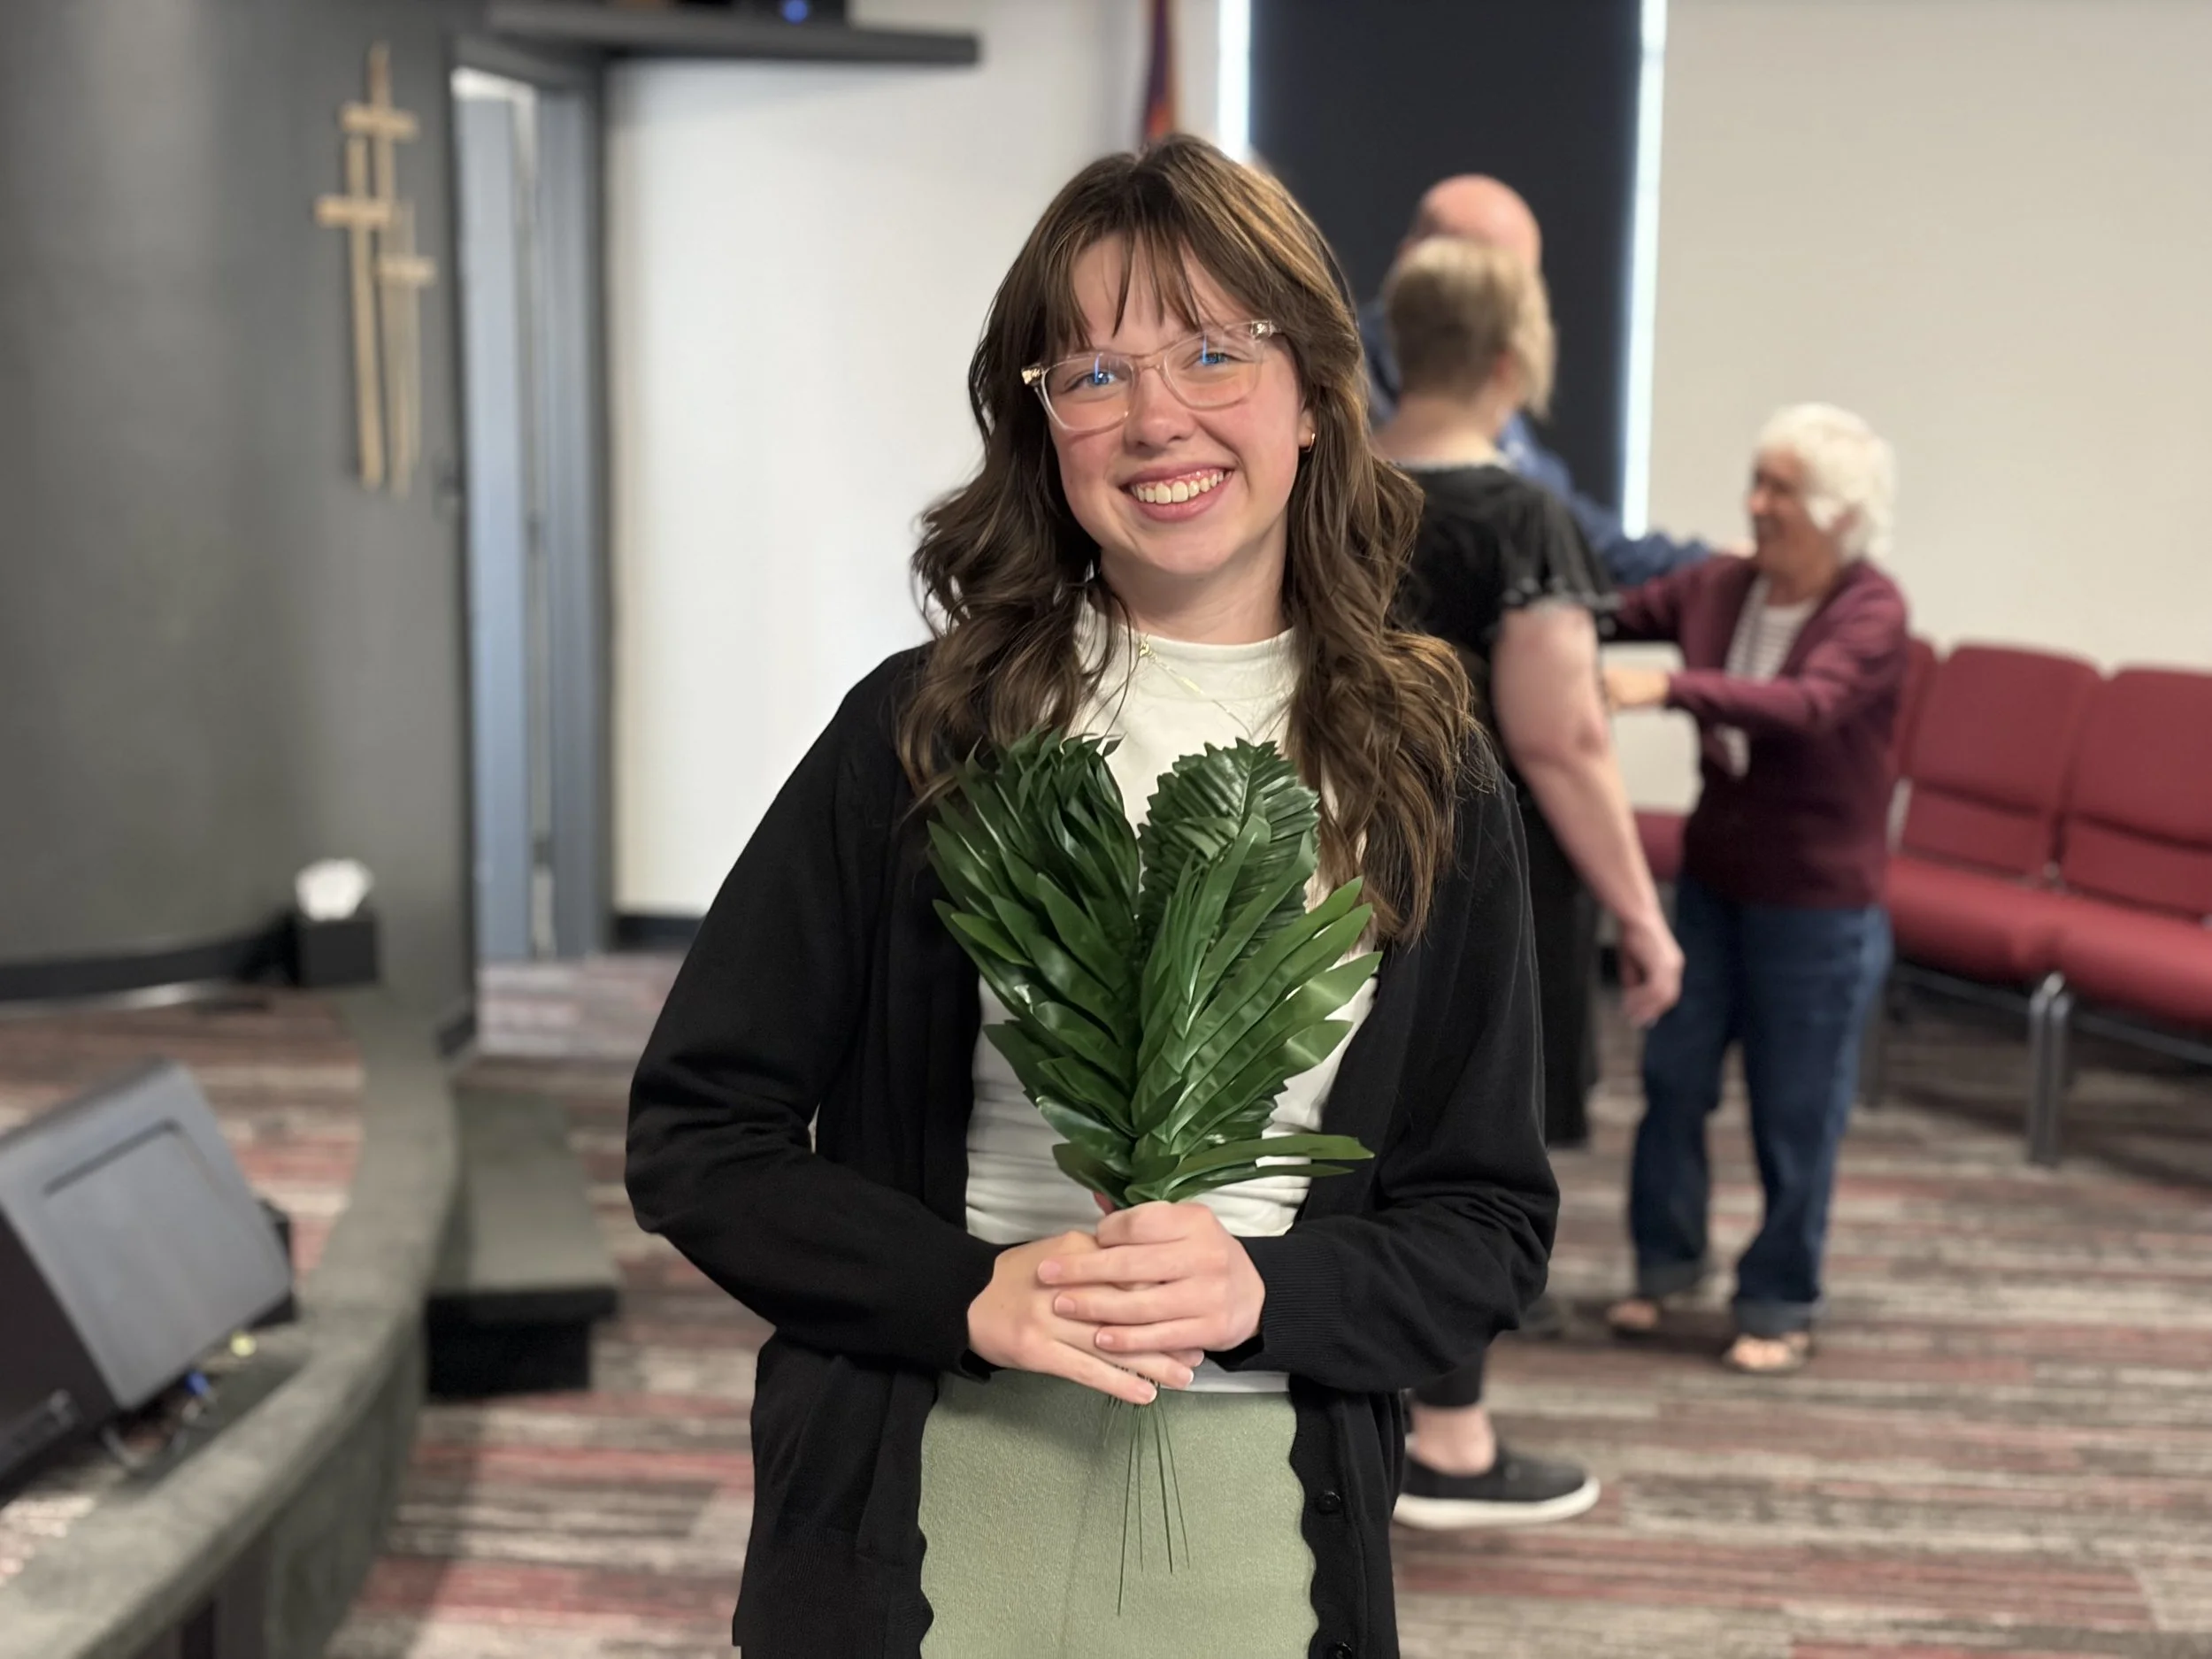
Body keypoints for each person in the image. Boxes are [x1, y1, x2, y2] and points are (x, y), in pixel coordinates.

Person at [626, 134, 1556, 1659]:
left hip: (1264, 1519)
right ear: (1042, 422)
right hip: (918, 1490)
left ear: (1316, 394)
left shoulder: (1423, 774)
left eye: (1210, 351)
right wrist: (967, 1292)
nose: (1156, 419)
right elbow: (697, 1135)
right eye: (1093, 374)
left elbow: (1485, 1227)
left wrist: (1262, 1291)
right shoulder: (922, 735)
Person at [1375, 235, 1683, 1529]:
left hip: (1327, 855)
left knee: (1356, 1131)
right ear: (1512, 358)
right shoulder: (1521, 519)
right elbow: (1559, 737)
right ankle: (1447, 1437)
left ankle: (1357, 1400)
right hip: (1478, 881)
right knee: (1460, 1147)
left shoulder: (1326, 488)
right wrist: (1641, 912)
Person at [1601, 403, 1907, 1376]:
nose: (1755, 504)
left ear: (1832, 514)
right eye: (1758, 480)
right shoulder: (1721, 585)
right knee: (1672, 1076)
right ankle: (1665, 1266)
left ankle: (1778, 1299)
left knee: (1794, 1107)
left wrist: (1669, 689)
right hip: (1714, 886)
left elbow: (1808, 706)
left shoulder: (1871, 611)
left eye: (1778, 489)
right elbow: (1612, 614)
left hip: (1817, 908)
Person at [1359, 173, 1717, 588]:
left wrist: (1716, 567)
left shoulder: (1517, 476)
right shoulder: (1333, 392)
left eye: (1515, 283)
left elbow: (1586, 538)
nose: (1495, 305)